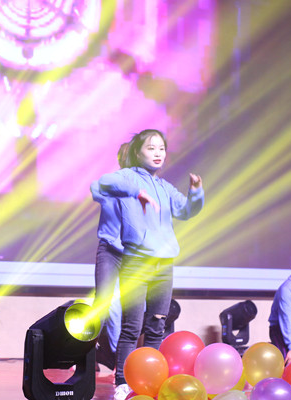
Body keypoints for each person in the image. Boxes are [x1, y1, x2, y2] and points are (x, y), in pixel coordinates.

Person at [97, 129, 204, 400]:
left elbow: (186, 211)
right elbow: (102, 184)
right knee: (131, 327)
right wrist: (137, 192)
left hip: (163, 266)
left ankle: (151, 380)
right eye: (151, 148)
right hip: (136, 263)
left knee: (157, 326)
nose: (158, 153)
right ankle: (122, 381)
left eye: (161, 148)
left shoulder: (165, 187)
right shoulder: (127, 177)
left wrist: (195, 192)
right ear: (138, 152)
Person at [90, 142, 130, 371]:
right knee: (105, 302)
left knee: (127, 307)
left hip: (133, 255)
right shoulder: (110, 184)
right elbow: (96, 188)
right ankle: (89, 353)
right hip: (110, 250)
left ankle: (116, 357)